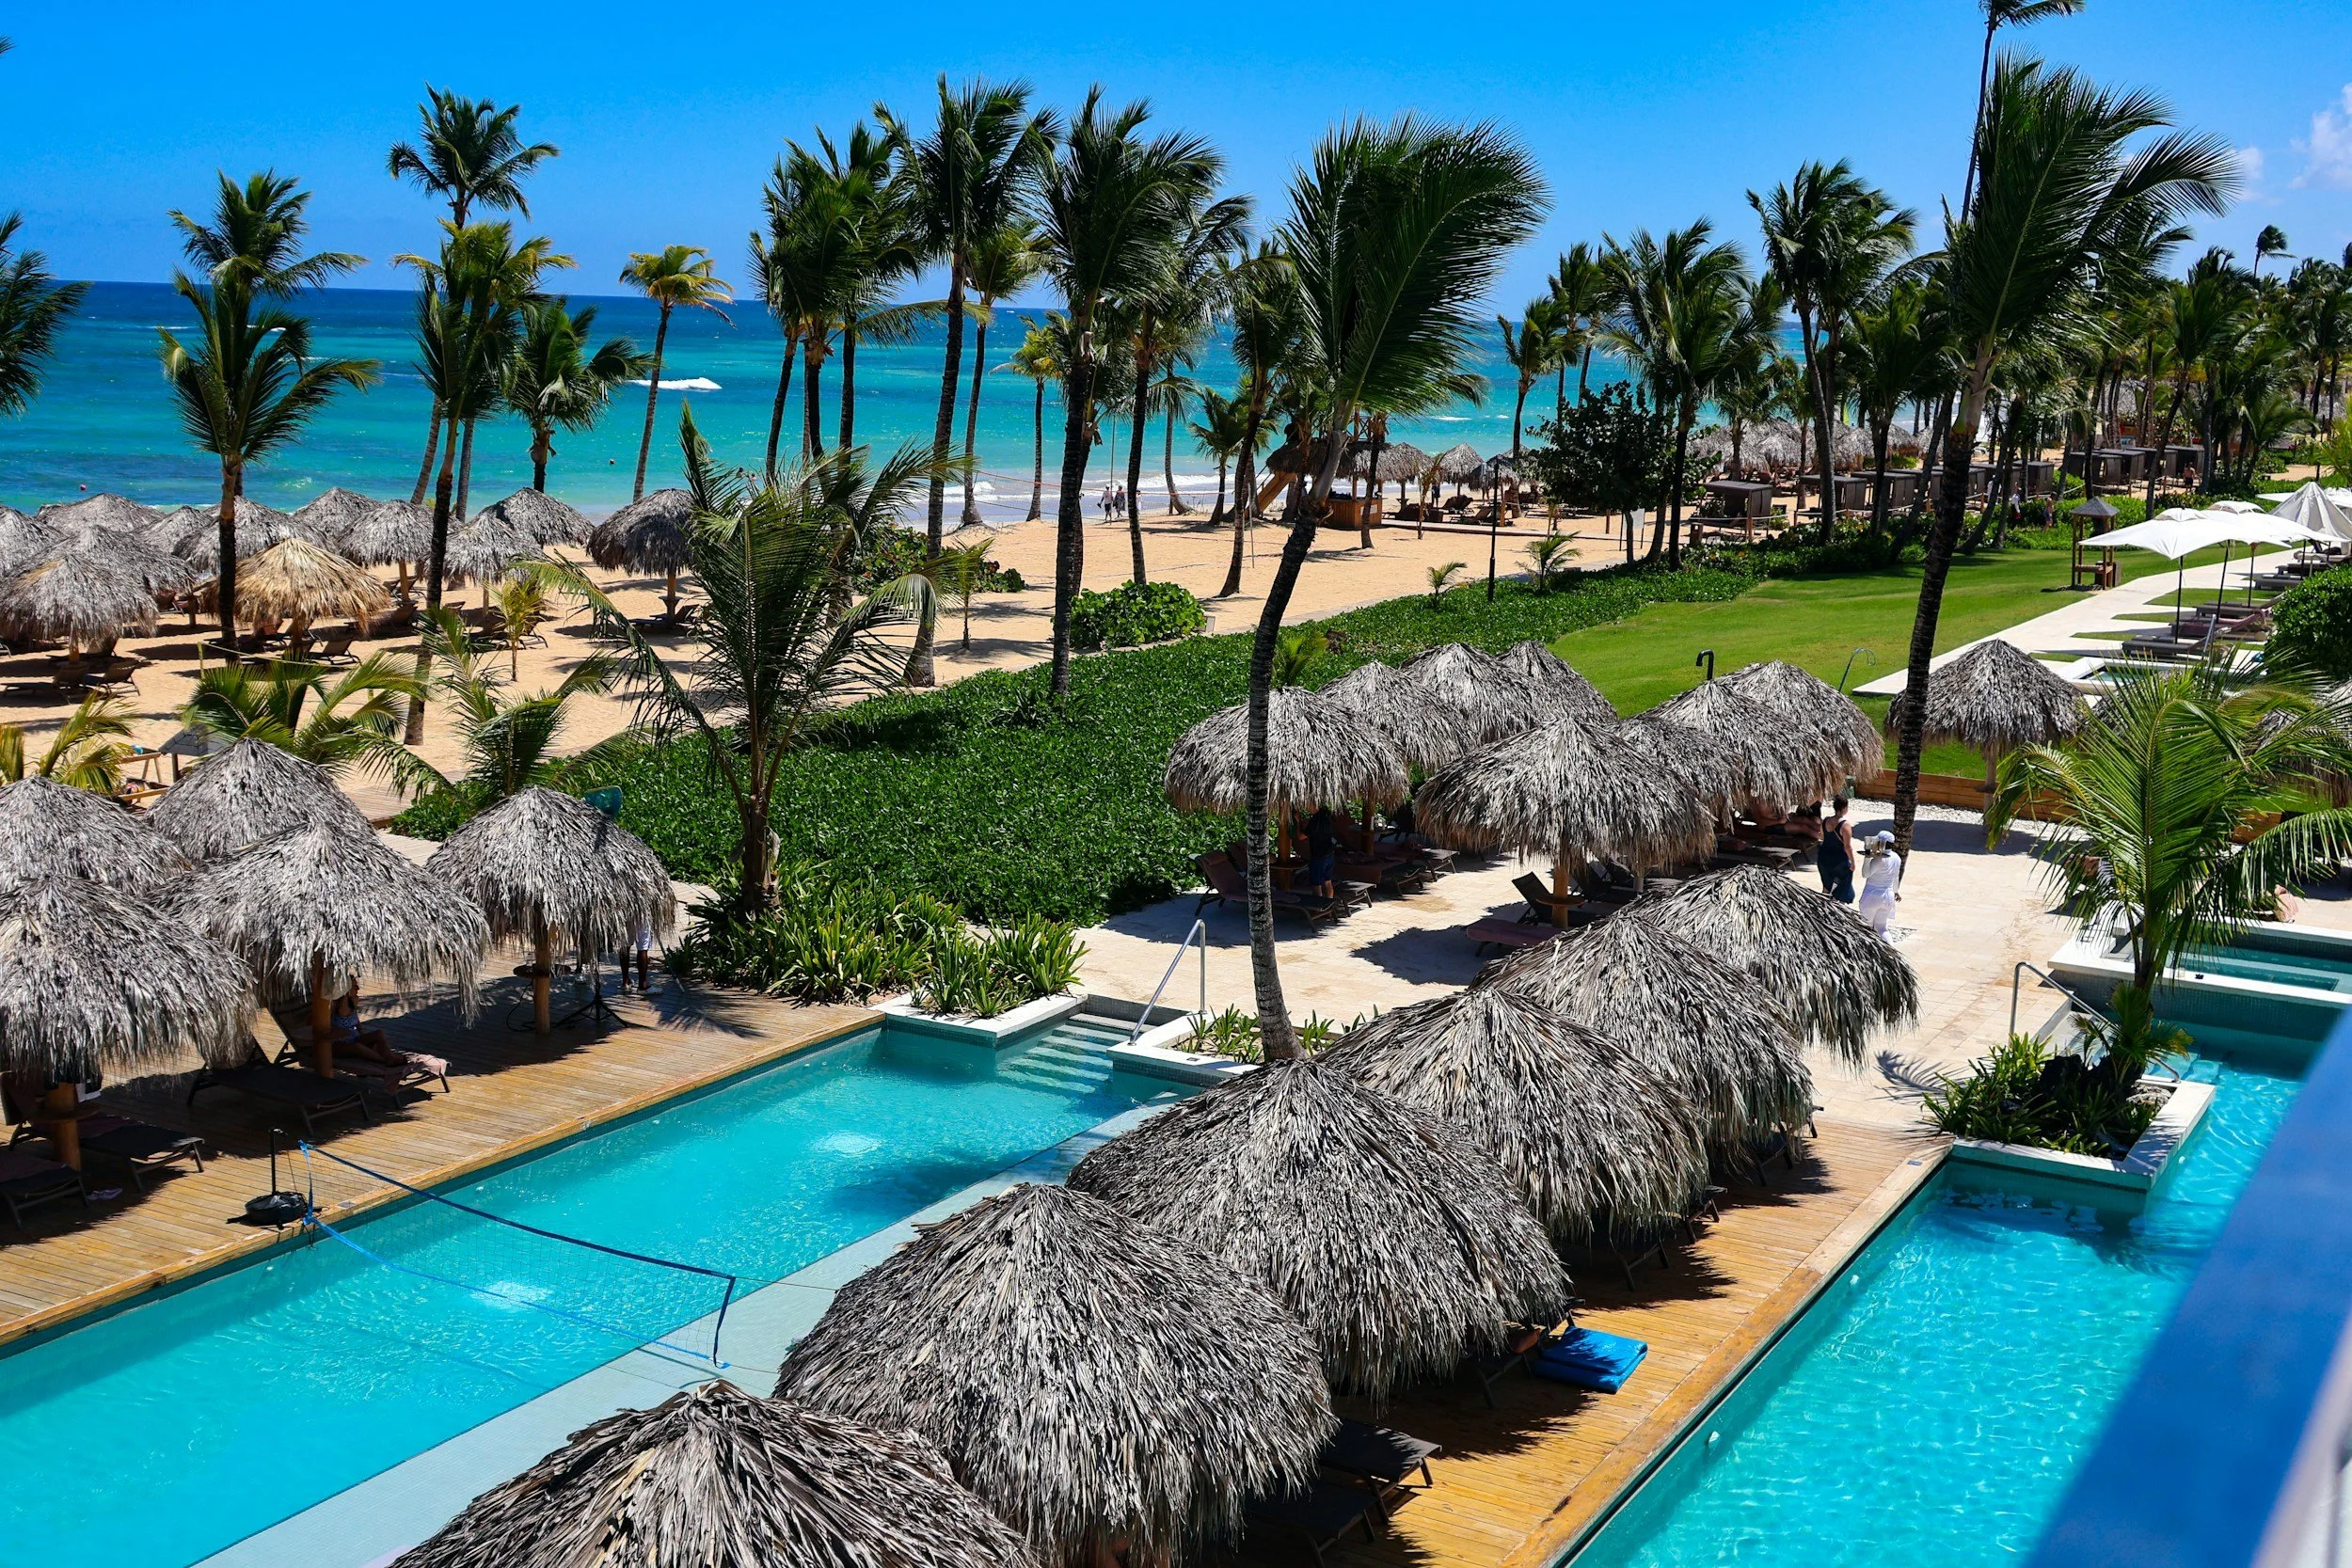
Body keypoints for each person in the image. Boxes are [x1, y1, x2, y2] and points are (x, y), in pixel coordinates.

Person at [1857, 831, 1903, 939]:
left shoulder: (1879, 859)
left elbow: (1865, 874)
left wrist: (1867, 858)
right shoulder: (1896, 857)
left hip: (1872, 895)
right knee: (1882, 928)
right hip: (1888, 896)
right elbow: (1896, 877)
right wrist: (1896, 891)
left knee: (1866, 927)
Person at [1818, 797, 1855, 903]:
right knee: (1843, 880)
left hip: (1824, 855)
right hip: (1838, 858)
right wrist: (1852, 862)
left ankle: (1822, 907)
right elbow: (1848, 846)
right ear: (1844, 808)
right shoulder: (1845, 825)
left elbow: (1822, 837)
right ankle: (1837, 903)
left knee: (1826, 885)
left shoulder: (1825, 821)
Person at [1303, 806, 1338, 898]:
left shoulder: (1315, 820)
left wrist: (1298, 822)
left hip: (1319, 855)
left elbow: (1301, 836)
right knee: (1328, 882)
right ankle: (1329, 908)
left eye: (1309, 804)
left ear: (1316, 806)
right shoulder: (1327, 816)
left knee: (1316, 885)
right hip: (1330, 852)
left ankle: (1318, 910)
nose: (1307, 807)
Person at [626, 917, 658, 994]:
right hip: (641, 915)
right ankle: (642, 985)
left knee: (625, 946)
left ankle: (625, 982)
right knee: (642, 948)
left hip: (625, 914)